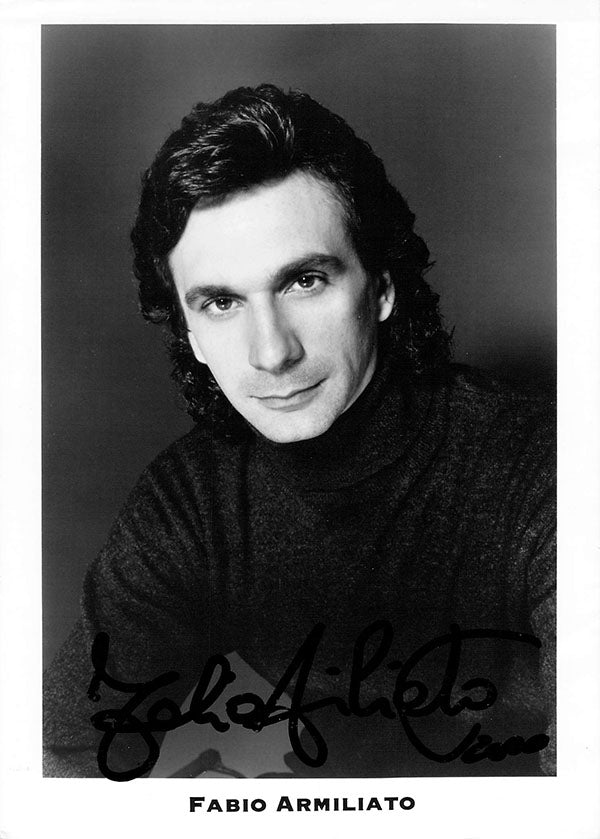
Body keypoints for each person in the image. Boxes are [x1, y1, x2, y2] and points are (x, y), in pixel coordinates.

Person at [43, 84, 555, 779]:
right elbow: (60, 757)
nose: (271, 352)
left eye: (305, 281)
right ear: (189, 334)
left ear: (382, 287)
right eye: (221, 302)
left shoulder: (542, 467)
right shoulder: (192, 502)